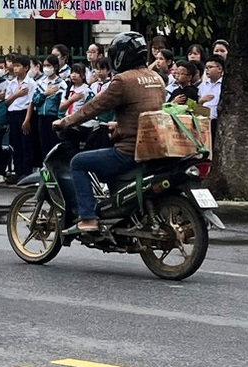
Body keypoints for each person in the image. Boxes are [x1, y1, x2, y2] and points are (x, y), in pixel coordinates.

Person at [55, 33, 167, 235]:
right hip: (154, 148)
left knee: (78, 162)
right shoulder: (156, 78)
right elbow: (146, 111)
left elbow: (94, 107)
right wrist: (118, 125)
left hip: (128, 152)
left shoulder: (123, 80)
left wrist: (65, 122)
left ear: (121, 56)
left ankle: (88, 218)